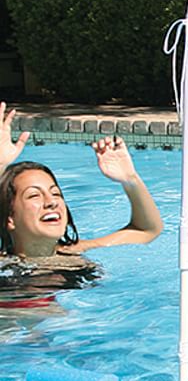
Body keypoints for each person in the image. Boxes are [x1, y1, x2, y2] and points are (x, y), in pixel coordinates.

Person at [0, 101, 164, 261]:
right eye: (34, 195)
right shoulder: (5, 265)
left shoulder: (74, 252)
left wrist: (130, 179)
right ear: (10, 218)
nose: (52, 202)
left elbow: (146, 230)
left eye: (56, 193)